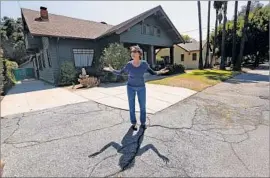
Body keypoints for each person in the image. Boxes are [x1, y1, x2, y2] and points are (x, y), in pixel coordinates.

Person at [103, 45, 169, 130]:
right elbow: (120, 72)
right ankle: (133, 123)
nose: (132, 54)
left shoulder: (144, 64)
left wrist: (160, 72)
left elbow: (152, 72)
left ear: (139, 53)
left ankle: (143, 123)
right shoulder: (129, 65)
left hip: (141, 87)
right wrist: (112, 70)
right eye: (132, 52)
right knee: (132, 106)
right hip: (130, 88)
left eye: (135, 52)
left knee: (142, 106)